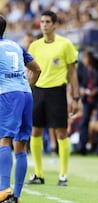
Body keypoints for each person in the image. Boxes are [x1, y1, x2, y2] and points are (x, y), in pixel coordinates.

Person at [27, 10, 80, 187]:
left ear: (55, 24)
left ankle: (63, 174)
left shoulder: (65, 44)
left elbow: (72, 72)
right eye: (42, 21)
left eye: (48, 21)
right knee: (35, 131)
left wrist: (76, 96)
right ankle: (38, 174)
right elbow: (29, 71)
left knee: (61, 133)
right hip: (38, 91)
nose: (44, 24)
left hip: (57, 91)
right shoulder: (34, 46)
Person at [0, 15, 41, 203]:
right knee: (20, 144)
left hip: (8, 95)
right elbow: (37, 69)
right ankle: (16, 196)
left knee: (5, 139)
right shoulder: (16, 45)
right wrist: (27, 87)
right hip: (26, 94)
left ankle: (3, 190)